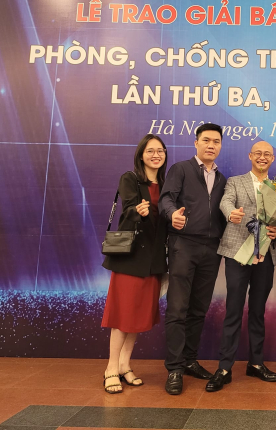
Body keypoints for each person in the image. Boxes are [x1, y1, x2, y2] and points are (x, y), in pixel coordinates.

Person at [205, 141, 276, 391]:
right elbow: (225, 202)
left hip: (266, 255)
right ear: (250, 156)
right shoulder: (235, 182)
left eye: (267, 154)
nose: (262, 157)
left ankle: (256, 363)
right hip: (238, 253)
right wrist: (231, 213)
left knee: (258, 311)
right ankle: (224, 368)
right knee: (233, 310)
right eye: (258, 153)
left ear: (272, 159)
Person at [160, 123, 227, 395]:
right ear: (196, 143)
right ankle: (175, 368)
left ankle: (189, 360)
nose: (211, 145)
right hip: (183, 246)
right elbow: (166, 199)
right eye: (206, 140)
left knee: (199, 309)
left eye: (216, 141)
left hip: (212, 249)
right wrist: (172, 215)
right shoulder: (181, 169)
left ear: (220, 146)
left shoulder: (222, 179)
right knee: (178, 308)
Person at [101, 134, 168, 394]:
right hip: (131, 259)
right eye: (150, 150)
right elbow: (128, 208)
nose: (156, 155)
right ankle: (110, 368)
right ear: (141, 155)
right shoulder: (130, 178)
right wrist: (137, 211)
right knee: (123, 316)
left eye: (160, 150)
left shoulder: (167, 184)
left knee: (138, 316)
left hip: (154, 261)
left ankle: (124, 365)